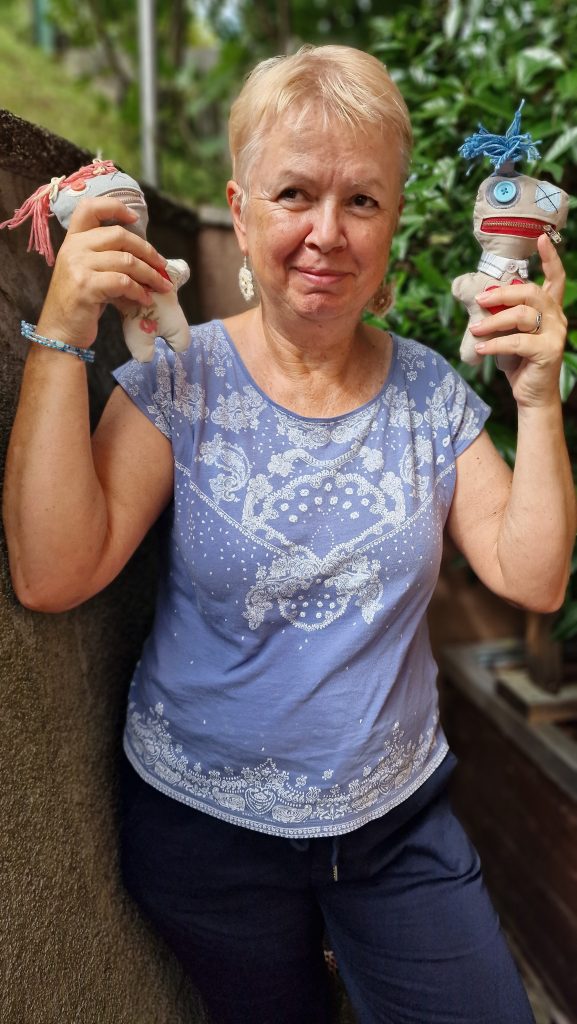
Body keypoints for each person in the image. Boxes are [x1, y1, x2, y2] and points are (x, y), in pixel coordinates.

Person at [3, 44, 575, 1024]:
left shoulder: (428, 392)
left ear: (393, 222)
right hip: (205, 836)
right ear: (241, 207)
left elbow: (533, 580)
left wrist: (538, 398)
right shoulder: (180, 374)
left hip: (394, 829)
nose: (326, 233)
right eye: (294, 194)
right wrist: (63, 332)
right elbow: (55, 572)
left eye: (362, 201)